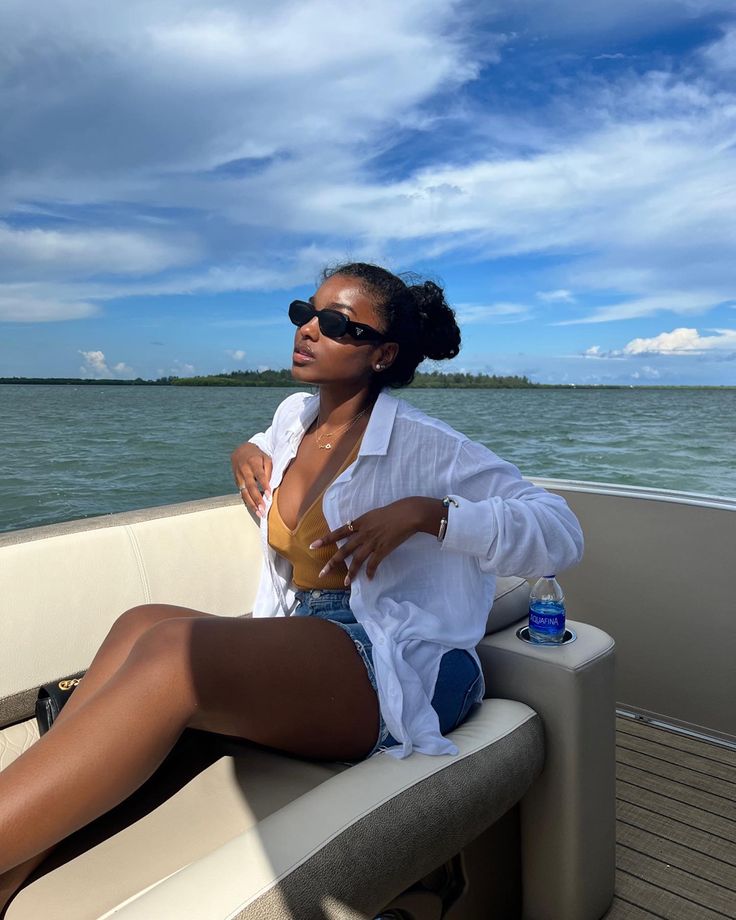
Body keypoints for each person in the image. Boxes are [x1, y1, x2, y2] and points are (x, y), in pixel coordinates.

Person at [0, 262, 583, 911]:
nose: (308, 329)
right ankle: (18, 865)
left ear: (382, 353)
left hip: (398, 657)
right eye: (304, 312)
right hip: (311, 630)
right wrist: (242, 451)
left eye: (334, 324)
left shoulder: (426, 444)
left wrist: (430, 514)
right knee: (141, 622)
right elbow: (267, 445)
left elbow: (560, 530)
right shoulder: (293, 416)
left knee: (173, 659)